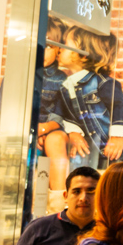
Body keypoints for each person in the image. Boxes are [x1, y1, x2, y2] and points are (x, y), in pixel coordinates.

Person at [56, 27, 123, 171]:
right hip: (90, 145)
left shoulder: (103, 83)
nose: (60, 49)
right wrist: (73, 132)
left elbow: (119, 107)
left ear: (83, 55)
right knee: (78, 163)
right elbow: (66, 115)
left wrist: (117, 136)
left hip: (116, 144)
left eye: (66, 44)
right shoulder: (66, 87)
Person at [37, 16, 73, 214]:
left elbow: (61, 114)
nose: (43, 50)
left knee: (56, 139)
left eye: (49, 46)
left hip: (52, 129)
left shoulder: (61, 80)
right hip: (29, 130)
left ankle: (58, 205)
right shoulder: (20, 75)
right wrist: (34, 132)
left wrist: (43, 129)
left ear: (58, 49)